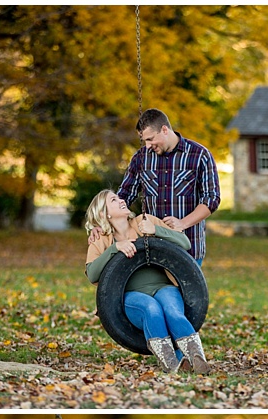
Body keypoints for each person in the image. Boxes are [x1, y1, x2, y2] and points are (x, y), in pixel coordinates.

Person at [83, 189, 213, 374]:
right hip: (130, 296)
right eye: (114, 200)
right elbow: (93, 273)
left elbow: (184, 243)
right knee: (151, 307)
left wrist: (156, 231)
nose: (121, 200)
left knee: (172, 310)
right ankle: (170, 363)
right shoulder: (101, 240)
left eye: (119, 197)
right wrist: (115, 248)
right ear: (105, 213)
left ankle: (197, 358)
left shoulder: (146, 221)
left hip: (163, 287)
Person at [118, 109, 220, 269]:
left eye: (151, 139)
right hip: (152, 250)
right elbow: (124, 196)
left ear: (164, 130)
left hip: (189, 249)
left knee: (185, 295)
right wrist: (101, 223)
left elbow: (211, 199)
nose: (148, 145)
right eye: (144, 140)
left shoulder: (200, 155)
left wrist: (182, 223)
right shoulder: (141, 158)